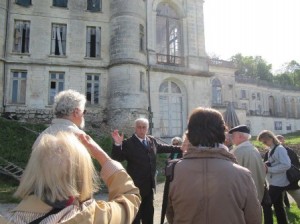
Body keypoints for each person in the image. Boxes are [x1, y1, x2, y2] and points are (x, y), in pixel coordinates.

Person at [0, 132, 141, 224]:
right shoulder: (95, 217)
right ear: (82, 176)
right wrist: (99, 154)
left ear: (31, 172)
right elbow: (129, 197)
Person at [166, 107, 262, 224]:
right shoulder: (242, 174)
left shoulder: (174, 171)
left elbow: (170, 214)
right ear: (223, 132)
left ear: (190, 133)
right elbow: (254, 218)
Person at [111, 118, 182, 224]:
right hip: (134, 188)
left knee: (148, 215)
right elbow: (117, 158)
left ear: (147, 128)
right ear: (135, 128)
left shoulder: (151, 141)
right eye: (139, 127)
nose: (141, 130)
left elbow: (164, 148)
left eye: (144, 127)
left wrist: (181, 148)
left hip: (149, 187)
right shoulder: (129, 143)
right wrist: (117, 144)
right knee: (135, 216)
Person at [229, 125, 271, 224]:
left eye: (233, 136)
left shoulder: (240, 152)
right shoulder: (253, 149)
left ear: (240, 136)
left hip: (244, 200)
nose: (231, 138)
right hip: (255, 196)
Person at [258, 130, 291, 224]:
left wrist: (269, 169)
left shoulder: (279, 149)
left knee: (267, 204)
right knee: (278, 206)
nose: (264, 144)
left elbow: (286, 165)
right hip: (275, 182)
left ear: (271, 138)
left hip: (278, 183)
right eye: (262, 142)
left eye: (265, 141)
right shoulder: (272, 149)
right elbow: (275, 162)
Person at [276, 134, 300, 208]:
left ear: (284, 141)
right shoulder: (270, 152)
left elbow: (296, 165)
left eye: (281, 140)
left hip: (291, 181)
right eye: (278, 140)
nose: (280, 142)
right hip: (278, 181)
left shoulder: (290, 151)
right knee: (278, 204)